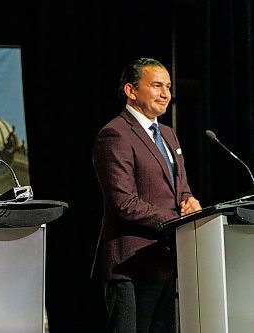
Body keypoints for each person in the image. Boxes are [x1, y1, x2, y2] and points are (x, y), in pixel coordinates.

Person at [91, 58, 202, 333]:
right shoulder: (114, 134)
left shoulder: (168, 134)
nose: (166, 94)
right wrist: (178, 218)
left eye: (168, 86)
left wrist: (191, 201)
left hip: (165, 261)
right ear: (131, 90)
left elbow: (181, 187)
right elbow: (124, 204)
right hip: (130, 266)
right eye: (156, 86)